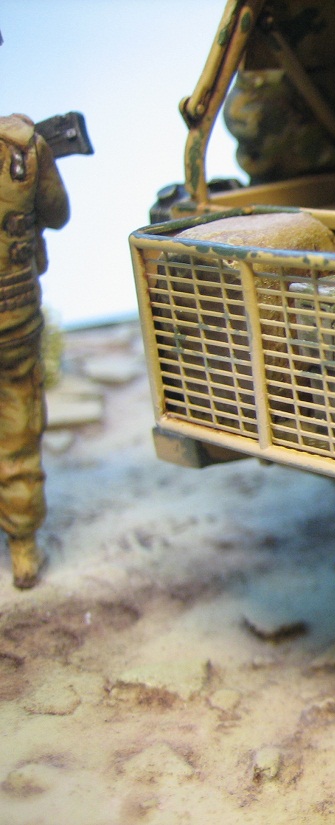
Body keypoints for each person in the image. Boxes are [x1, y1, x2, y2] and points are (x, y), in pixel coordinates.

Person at [0, 113, 70, 588]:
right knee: (19, 431)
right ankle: (23, 548)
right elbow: (58, 213)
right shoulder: (22, 144)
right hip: (14, 314)